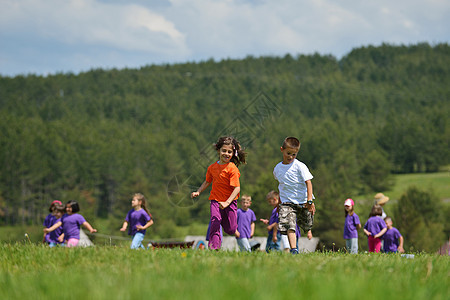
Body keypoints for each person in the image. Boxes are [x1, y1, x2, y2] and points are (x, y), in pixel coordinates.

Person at [191, 136, 246, 250]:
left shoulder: (232, 168)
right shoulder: (212, 168)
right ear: (218, 151)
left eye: (229, 152)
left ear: (233, 153)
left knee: (231, 229)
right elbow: (207, 181)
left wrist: (227, 202)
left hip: (230, 202)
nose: (226, 153)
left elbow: (237, 188)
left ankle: (228, 227)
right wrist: (198, 191)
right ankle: (214, 248)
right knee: (215, 221)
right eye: (224, 150)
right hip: (215, 200)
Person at [273, 136, 315, 254]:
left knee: (307, 224)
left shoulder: (300, 166)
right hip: (287, 203)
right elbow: (282, 187)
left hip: (303, 201)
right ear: (282, 149)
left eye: (294, 155)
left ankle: (309, 231)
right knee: (289, 225)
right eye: (288, 153)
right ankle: (294, 249)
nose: (291, 157)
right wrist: (279, 203)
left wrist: (310, 200)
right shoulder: (277, 169)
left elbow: (308, 183)